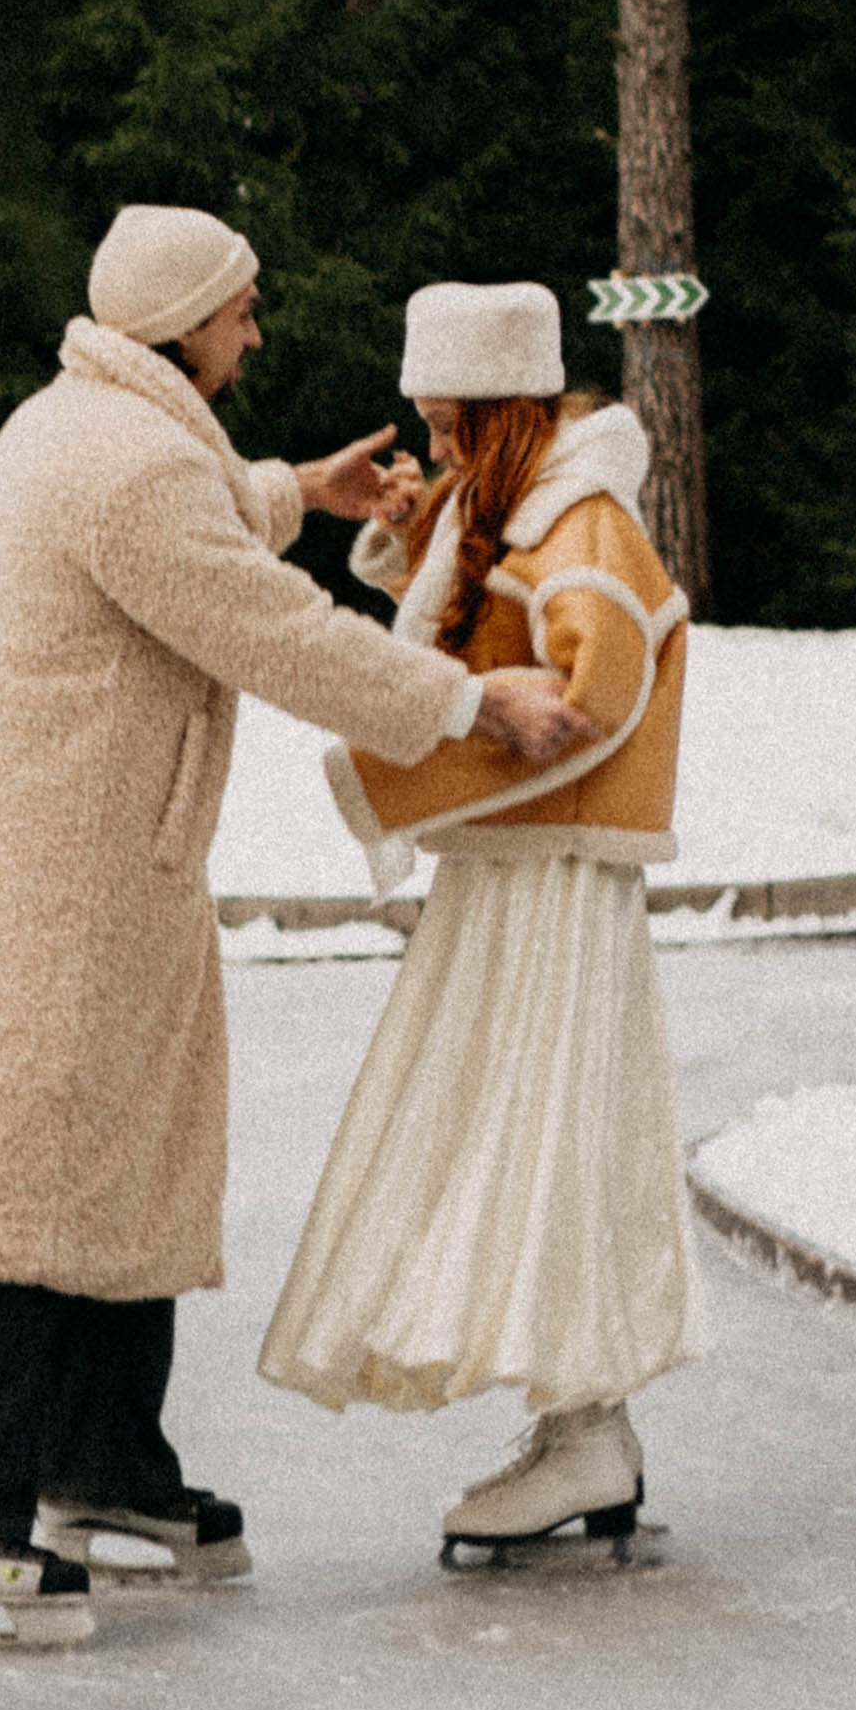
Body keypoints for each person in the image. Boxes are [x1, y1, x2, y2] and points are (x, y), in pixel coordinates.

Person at [0, 207, 589, 1651]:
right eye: (242, 310)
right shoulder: (125, 463)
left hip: (101, 862)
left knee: (121, 1159)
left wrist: (295, 487)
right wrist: (467, 701)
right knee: (32, 1177)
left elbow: (198, 511)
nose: (256, 332)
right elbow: (263, 623)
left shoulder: (95, 426)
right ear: (185, 317)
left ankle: (101, 1472)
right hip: (63, 876)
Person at [257, 279, 704, 1562]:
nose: (438, 449)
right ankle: (582, 1422)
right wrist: (416, 534)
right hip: (515, 873)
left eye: (454, 428)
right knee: (522, 1130)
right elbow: (489, 605)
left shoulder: (584, 510)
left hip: (551, 879)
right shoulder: (533, 499)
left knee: (545, 1130)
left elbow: (591, 687)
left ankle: (586, 1424)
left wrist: (448, 735)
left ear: (508, 410)